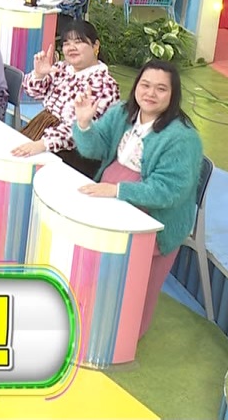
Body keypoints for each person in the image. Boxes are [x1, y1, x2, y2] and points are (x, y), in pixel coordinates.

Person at [43, 60, 204, 341]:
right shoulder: (122, 113)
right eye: (145, 85)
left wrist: (117, 191)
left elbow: (169, 191)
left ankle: (117, 336)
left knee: (127, 286)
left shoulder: (183, 138)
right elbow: (95, 149)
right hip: (111, 195)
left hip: (155, 216)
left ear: (173, 94)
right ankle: (85, 313)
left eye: (161, 89)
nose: (150, 93)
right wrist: (84, 123)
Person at [10, 19, 121, 177]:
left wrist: (43, 144)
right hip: (42, 129)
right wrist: (39, 75)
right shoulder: (62, 68)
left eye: (78, 42)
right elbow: (34, 92)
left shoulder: (105, 84)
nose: (71, 48)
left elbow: (79, 129)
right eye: (66, 43)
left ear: (95, 46)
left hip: (74, 152)